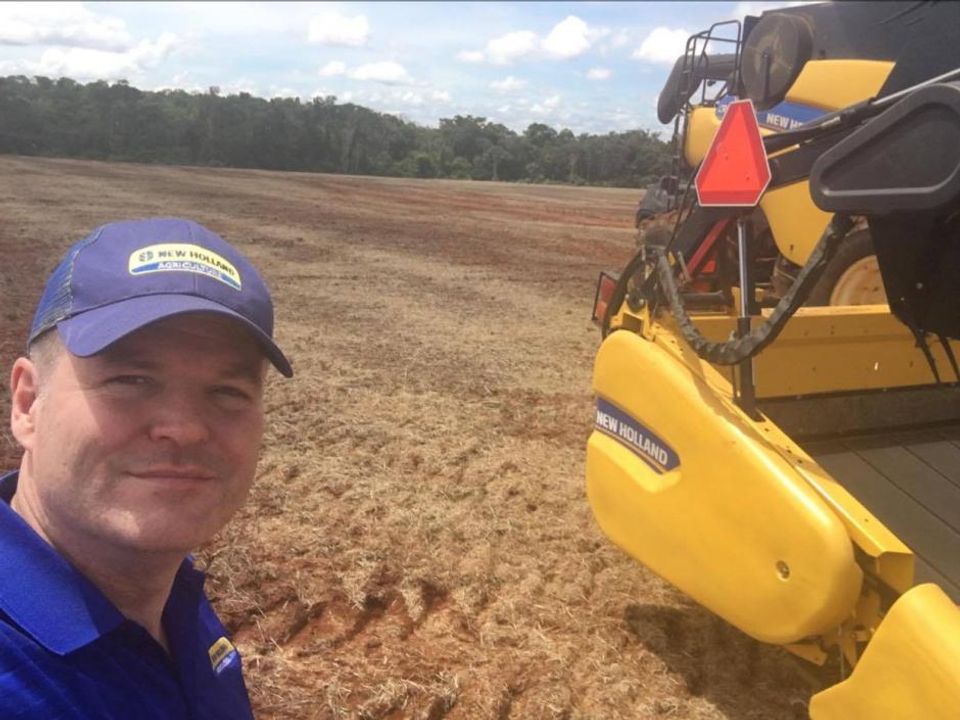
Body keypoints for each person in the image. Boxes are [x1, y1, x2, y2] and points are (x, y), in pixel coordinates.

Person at [0, 217, 293, 718]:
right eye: (130, 379)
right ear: (28, 404)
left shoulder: (171, 598)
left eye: (227, 392)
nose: (185, 429)